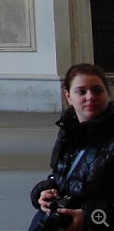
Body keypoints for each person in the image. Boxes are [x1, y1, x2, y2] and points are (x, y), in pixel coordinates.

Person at [28, 63, 114, 231]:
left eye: (97, 91)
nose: (90, 97)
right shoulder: (67, 132)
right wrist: (45, 192)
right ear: (68, 96)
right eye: (81, 91)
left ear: (107, 93)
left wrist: (90, 218)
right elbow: (60, 176)